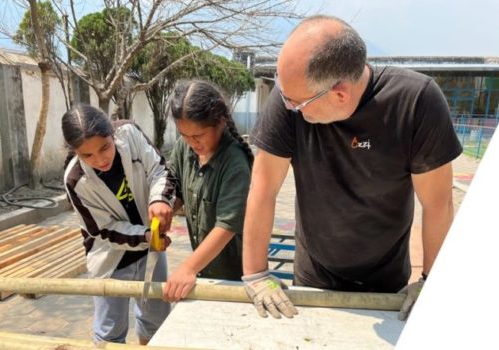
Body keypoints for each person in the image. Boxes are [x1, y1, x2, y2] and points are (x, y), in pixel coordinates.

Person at [241, 15, 462, 320]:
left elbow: (438, 203)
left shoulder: (415, 102)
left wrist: (431, 281)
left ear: (339, 94)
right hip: (314, 275)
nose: (288, 106)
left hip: (386, 279)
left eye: (297, 105)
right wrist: (256, 274)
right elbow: (263, 190)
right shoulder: (289, 99)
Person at [62, 104, 175, 344]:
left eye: (105, 147)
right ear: (75, 152)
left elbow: (159, 169)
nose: (101, 159)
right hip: (111, 261)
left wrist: (159, 198)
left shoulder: (129, 134)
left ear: (112, 135)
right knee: (109, 335)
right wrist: (145, 235)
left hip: (150, 255)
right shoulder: (75, 180)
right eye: (87, 155)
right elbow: (102, 230)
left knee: (156, 325)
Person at [162, 80, 253, 302]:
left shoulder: (235, 163)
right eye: (183, 134)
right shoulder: (185, 148)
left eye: (198, 136)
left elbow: (226, 226)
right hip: (204, 273)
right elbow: (174, 182)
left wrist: (188, 268)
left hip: (233, 279)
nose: (191, 143)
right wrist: (165, 207)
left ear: (220, 123)